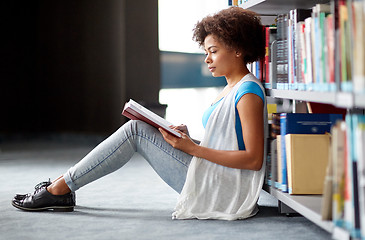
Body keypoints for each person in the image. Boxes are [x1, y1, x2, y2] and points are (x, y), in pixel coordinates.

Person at [12, 6, 267, 220]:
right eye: (206, 52)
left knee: (135, 130)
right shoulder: (232, 87)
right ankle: (61, 185)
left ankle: (59, 189)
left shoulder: (247, 93)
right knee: (143, 128)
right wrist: (190, 141)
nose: (207, 59)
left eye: (213, 51)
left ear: (237, 49)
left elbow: (253, 159)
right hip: (215, 175)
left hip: (224, 190)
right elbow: (231, 142)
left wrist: (194, 149)